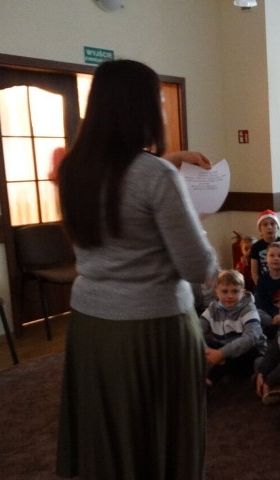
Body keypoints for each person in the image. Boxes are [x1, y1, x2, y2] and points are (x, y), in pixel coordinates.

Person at [55, 59, 218, 479]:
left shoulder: (74, 169)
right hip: (151, 326)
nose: (163, 112)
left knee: (109, 431)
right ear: (140, 109)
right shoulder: (157, 176)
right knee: (158, 434)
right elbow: (195, 265)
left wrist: (171, 159)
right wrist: (194, 223)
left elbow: (120, 187)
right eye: (159, 102)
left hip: (91, 324)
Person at [201, 270, 267, 384]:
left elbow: (250, 337)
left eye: (235, 291)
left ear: (243, 292)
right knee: (204, 343)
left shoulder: (248, 309)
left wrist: (221, 353)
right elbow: (199, 326)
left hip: (250, 351)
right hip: (226, 348)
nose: (230, 296)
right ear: (217, 292)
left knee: (249, 354)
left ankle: (211, 379)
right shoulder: (213, 308)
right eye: (225, 291)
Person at [250, 210, 280, 285]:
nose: (269, 227)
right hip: (264, 284)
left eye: (272, 224)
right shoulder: (256, 247)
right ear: (260, 228)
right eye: (265, 225)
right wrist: (260, 286)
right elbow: (254, 273)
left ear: (277, 226)